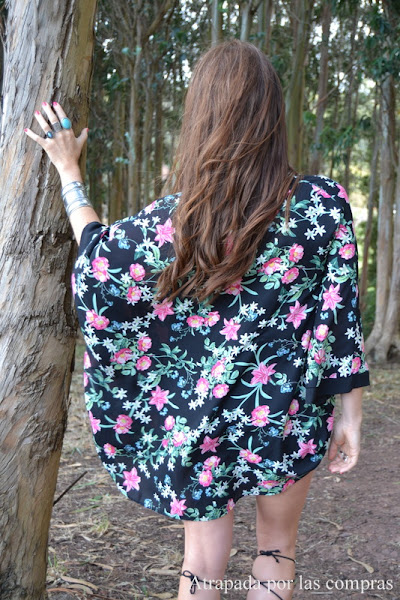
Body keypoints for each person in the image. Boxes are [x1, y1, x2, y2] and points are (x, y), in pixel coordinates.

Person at [25, 40, 369, 600]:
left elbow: (99, 259)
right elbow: (341, 311)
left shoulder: (180, 220)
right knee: (277, 549)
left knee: (203, 562)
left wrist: (68, 171)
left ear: (202, 117)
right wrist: (350, 414)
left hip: (200, 420)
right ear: (272, 115)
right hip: (287, 414)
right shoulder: (322, 204)